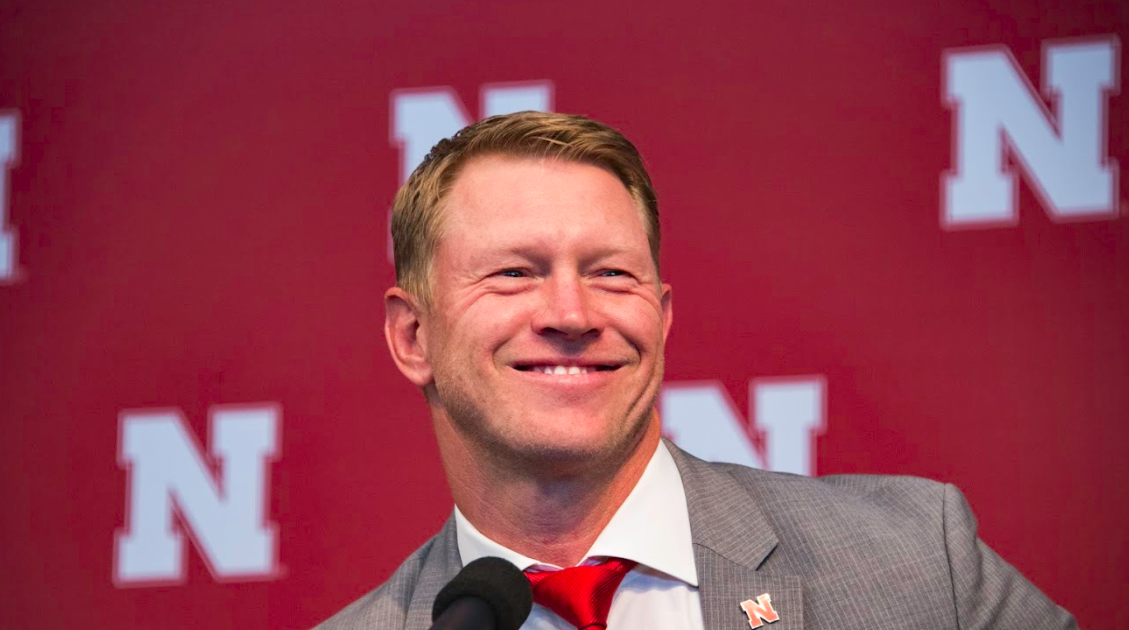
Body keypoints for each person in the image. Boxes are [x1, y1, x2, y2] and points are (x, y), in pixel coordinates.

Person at [315, 111, 1077, 630]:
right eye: (515, 273)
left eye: (612, 274)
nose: (573, 314)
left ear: (663, 316)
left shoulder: (915, 563)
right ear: (413, 335)